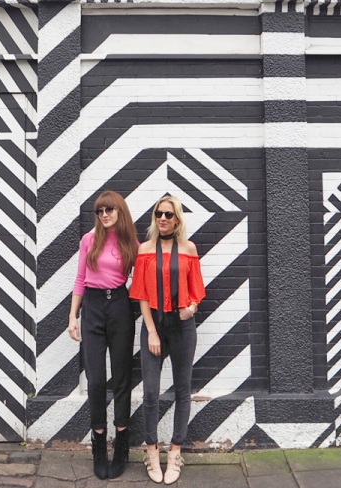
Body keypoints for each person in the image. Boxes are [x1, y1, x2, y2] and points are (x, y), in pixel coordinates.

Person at [129, 195, 205, 484]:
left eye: (168, 214)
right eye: (158, 213)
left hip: (183, 328)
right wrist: (151, 332)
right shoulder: (145, 250)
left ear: (177, 219)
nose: (162, 218)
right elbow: (142, 295)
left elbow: (197, 288)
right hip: (154, 325)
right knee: (150, 392)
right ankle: (152, 451)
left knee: (182, 390)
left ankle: (175, 451)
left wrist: (192, 307)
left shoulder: (188, 249)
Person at [68, 190, 139, 480]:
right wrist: (73, 315)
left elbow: (143, 277)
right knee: (96, 378)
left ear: (120, 212)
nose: (104, 215)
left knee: (122, 376)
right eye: (100, 211)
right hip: (93, 307)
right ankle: (99, 443)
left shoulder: (131, 243)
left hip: (121, 306)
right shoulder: (89, 240)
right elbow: (80, 279)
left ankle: (121, 444)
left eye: (109, 210)